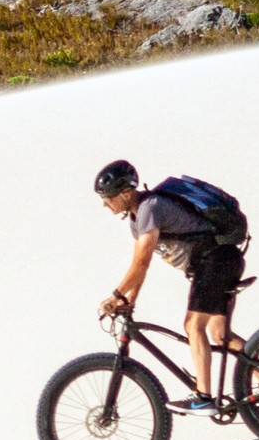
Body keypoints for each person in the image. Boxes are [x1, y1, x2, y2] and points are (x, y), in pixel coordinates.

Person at [94, 158, 250, 415]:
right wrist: (129, 300)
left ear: (125, 193)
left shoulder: (150, 208)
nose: (104, 203)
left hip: (215, 260)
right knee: (219, 334)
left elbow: (142, 263)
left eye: (108, 197)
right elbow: (139, 265)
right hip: (217, 262)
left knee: (192, 326)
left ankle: (203, 397)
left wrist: (116, 295)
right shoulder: (137, 220)